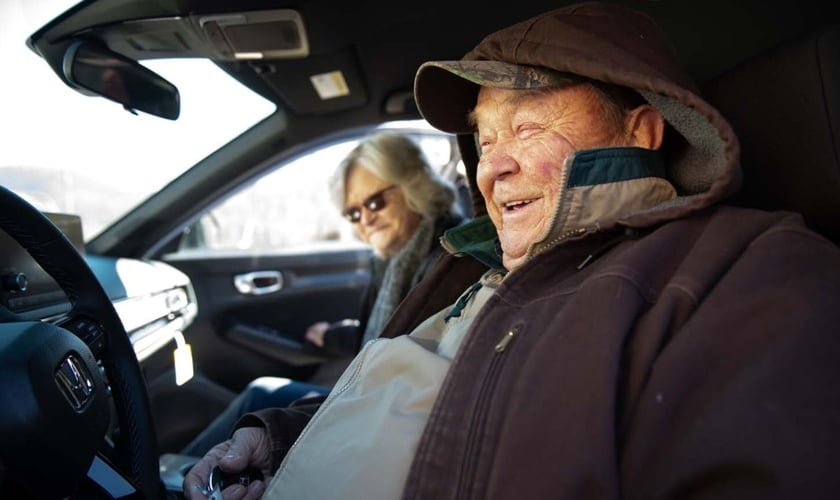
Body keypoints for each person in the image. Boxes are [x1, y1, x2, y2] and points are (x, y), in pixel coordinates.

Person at [184, 2, 840, 499]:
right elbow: (425, 395)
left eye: (526, 126)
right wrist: (281, 445)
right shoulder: (477, 267)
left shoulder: (753, 268)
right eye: (484, 139)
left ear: (639, 130)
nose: (489, 171)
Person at [179, 132, 465, 457]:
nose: (365, 219)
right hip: (368, 397)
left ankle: (179, 480)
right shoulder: (394, 259)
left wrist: (316, 412)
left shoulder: (448, 262)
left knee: (261, 395)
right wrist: (332, 336)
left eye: (374, 202)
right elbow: (384, 332)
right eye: (353, 213)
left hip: (386, 421)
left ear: (413, 185)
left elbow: (412, 362)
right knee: (262, 397)